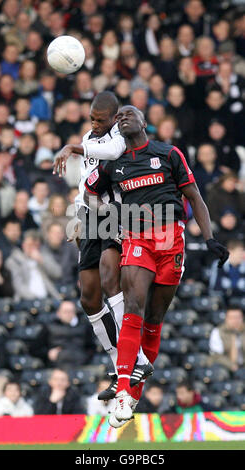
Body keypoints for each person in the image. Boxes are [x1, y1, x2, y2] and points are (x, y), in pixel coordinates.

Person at [83, 105, 229, 426]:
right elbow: (89, 192)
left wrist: (209, 239)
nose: (122, 117)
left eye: (128, 113)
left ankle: (135, 393)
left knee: (154, 319)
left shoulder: (169, 153)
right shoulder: (113, 164)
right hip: (137, 238)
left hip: (171, 240)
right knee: (133, 307)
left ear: (144, 122)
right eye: (119, 116)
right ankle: (123, 391)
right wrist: (111, 213)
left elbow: (195, 197)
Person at [53, 92, 151, 402]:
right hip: (89, 215)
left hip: (113, 213)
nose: (95, 124)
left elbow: (109, 152)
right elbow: (86, 180)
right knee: (89, 297)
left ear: (113, 118)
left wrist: (72, 147)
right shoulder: (89, 136)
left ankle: (135, 360)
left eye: (100, 120)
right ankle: (121, 364)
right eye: (92, 118)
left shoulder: (119, 136)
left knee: (111, 281)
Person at [5, 229, 61, 301]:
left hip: (48, 298)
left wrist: (42, 261)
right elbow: (18, 286)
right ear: (23, 244)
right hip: (26, 300)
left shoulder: (43, 256)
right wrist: (35, 299)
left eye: (36, 245)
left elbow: (57, 273)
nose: (33, 248)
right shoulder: (14, 260)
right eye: (30, 245)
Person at [46, 300, 95, 368]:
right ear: (58, 313)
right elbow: (35, 348)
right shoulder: (49, 327)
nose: (68, 314)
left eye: (71, 311)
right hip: (57, 366)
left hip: (80, 364)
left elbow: (91, 346)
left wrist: (85, 357)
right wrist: (47, 353)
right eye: (65, 312)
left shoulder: (84, 326)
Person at [209, 307, 245, 372]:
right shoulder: (218, 331)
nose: (235, 320)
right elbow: (216, 355)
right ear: (226, 319)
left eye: (238, 317)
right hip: (225, 367)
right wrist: (231, 365)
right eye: (232, 318)